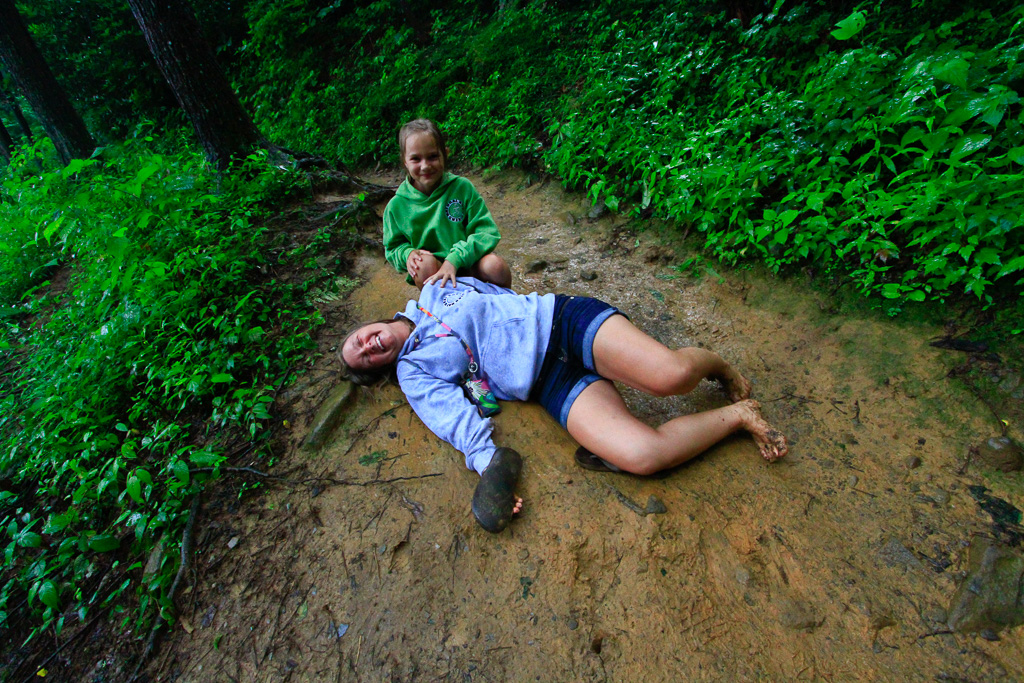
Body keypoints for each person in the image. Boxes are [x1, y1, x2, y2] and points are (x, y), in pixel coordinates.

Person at [341, 278, 787, 533]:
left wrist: (454, 266)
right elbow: (447, 415)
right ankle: (737, 416)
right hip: (548, 382)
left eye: (358, 339)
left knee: (671, 377)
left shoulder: (434, 287)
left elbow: (494, 282)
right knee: (642, 455)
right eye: (363, 357)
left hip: (560, 320)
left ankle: (717, 366)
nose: (366, 346)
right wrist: (489, 464)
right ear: (378, 367)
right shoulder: (413, 371)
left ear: (368, 325)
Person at [383, 119, 511, 289]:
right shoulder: (396, 206)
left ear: (445, 154)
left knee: (495, 267)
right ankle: (440, 309)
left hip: (469, 264)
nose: (425, 166)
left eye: (433, 156)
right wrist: (407, 254)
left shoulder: (462, 188)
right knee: (422, 264)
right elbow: (393, 248)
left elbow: (487, 232)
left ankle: (510, 309)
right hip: (434, 274)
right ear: (404, 161)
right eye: (416, 159)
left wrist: (454, 260)